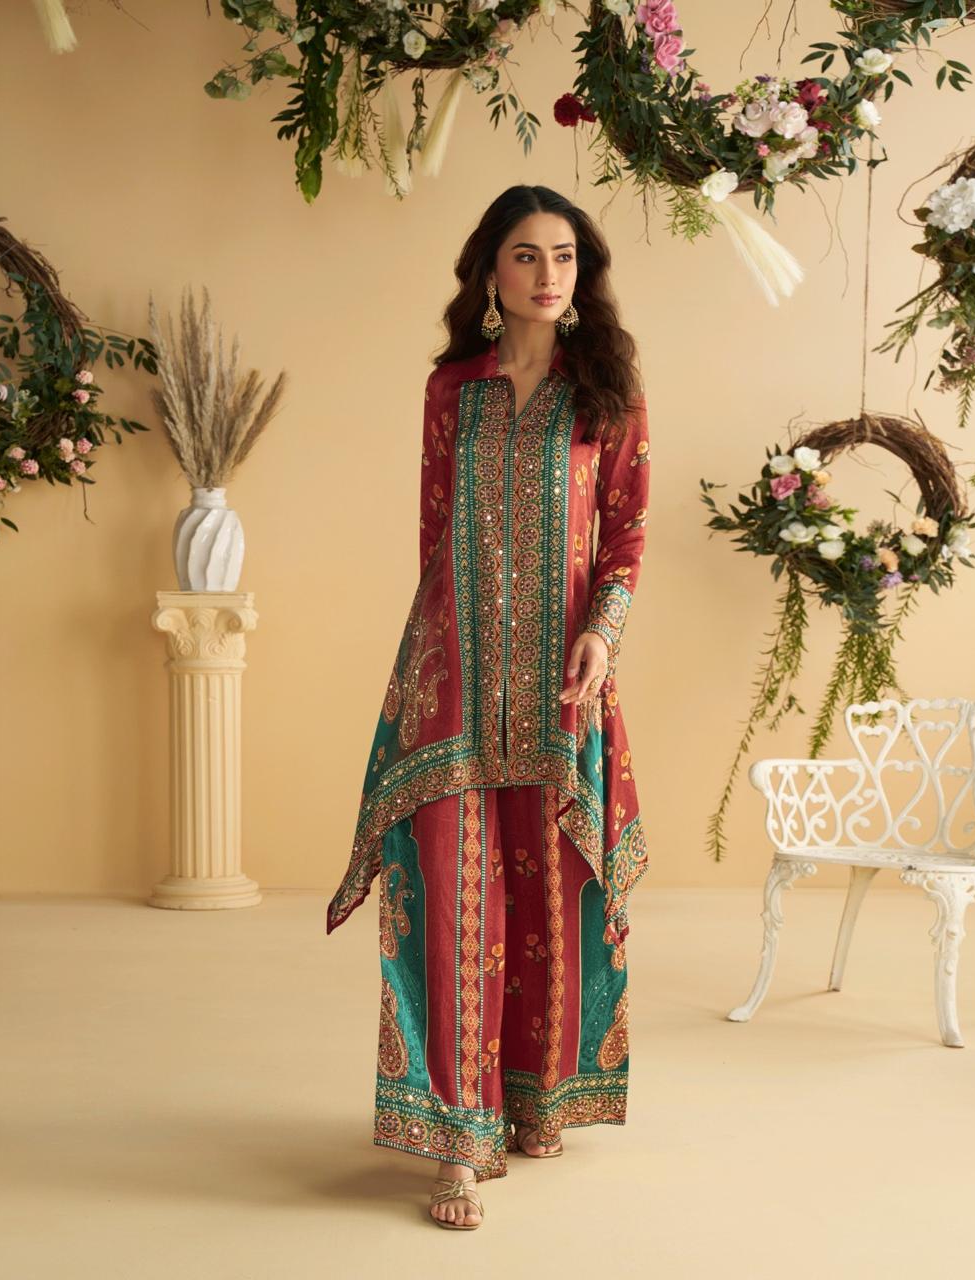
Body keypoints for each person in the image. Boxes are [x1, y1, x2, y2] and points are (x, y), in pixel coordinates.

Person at [326, 184, 651, 1230]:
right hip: (455, 681)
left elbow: (629, 535)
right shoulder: (450, 390)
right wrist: (440, 656)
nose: (549, 273)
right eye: (527, 255)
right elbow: (434, 534)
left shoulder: (608, 391)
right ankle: (457, 1143)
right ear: (491, 272)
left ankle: (533, 1096)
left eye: (565, 256)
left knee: (551, 899)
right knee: (450, 903)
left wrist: (603, 629)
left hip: (562, 680)